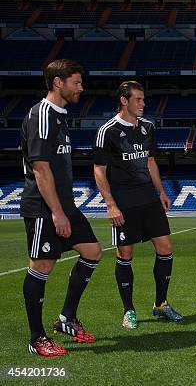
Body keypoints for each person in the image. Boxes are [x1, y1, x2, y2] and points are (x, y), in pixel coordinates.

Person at [20, 59, 102, 356]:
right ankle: (36, 338)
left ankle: (67, 318)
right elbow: (40, 169)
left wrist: (65, 209)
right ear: (58, 82)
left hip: (65, 204)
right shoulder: (41, 114)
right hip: (43, 207)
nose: (81, 88)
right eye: (76, 83)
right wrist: (56, 212)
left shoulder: (60, 115)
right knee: (41, 266)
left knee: (92, 252)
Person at [93, 81, 182, 330]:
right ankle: (128, 310)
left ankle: (161, 304)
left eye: (143, 100)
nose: (143, 104)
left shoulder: (148, 127)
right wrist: (111, 204)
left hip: (149, 199)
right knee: (125, 254)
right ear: (124, 100)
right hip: (124, 201)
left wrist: (161, 191)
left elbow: (150, 161)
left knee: (165, 247)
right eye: (138, 100)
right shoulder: (107, 131)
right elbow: (99, 170)